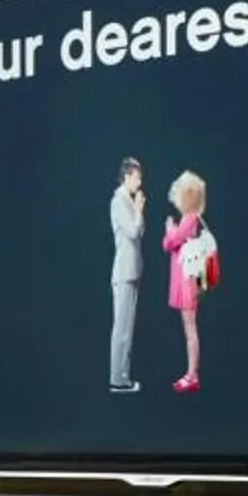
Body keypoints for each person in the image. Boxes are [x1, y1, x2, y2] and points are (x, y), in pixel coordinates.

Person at [163, 170, 210, 392]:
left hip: (187, 282)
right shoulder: (191, 219)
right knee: (188, 326)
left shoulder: (189, 219)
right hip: (188, 281)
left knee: (190, 327)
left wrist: (169, 228)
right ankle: (191, 373)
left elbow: (170, 243)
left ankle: (192, 375)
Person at [107, 157, 145, 393]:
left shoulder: (127, 200)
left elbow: (140, 230)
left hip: (132, 270)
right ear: (128, 175)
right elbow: (133, 231)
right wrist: (139, 210)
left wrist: (138, 211)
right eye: (138, 176)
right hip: (123, 271)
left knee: (127, 328)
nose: (140, 181)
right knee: (121, 327)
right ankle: (117, 378)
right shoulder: (119, 200)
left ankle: (123, 376)